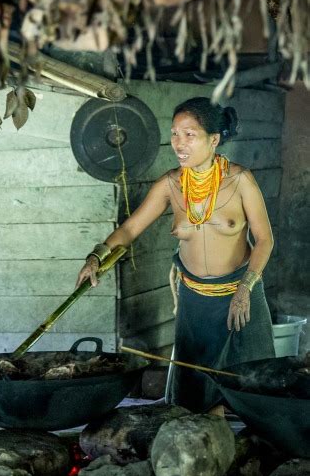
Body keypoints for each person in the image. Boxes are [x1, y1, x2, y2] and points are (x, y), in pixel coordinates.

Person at [76, 96, 276, 415]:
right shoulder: (171, 184)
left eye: (189, 135)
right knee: (194, 401)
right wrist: (96, 256)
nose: (179, 144)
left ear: (213, 139)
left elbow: (264, 240)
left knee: (255, 395)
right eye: (174, 134)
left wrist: (245, 289)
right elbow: (129, 230)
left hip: (239, 296)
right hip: (194, 302)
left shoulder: (240, 181)